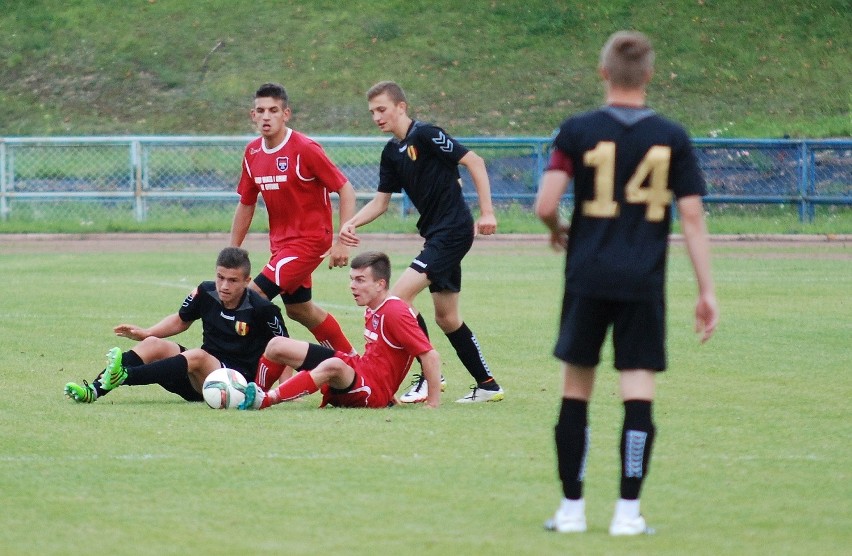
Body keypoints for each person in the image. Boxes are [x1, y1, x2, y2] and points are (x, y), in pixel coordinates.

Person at [534, 31, 719, 536]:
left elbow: (546, 204)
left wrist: (558, 232)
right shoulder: (671, 136)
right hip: (643, 280)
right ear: (650, 77)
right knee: (637, 389)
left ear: (604, 73)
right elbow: (692, 217)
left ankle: (571, 511)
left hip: (588, 275)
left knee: (576, 389)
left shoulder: (577, 130)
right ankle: (627, 514)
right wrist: (706, 291)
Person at [339, 80, 503, 404]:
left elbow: (475, 162)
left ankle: (432, 378)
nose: (376, 117)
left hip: (453, 231)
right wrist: (351, 222)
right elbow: (381, 202)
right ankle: (488, 385)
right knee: (447, 318)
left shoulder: (427, 135)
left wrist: (487, 212)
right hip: (436, 235)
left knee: (396, 298)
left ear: (401, 107)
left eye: (382, 109)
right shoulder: (391, 152)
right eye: (372, 112)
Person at [230, 82, 357, 379]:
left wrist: (342, 241)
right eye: (260, 111)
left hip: (310, 242)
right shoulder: (252, 153)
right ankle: (349, 360)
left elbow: (345, 189)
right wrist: (232, 251)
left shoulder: (305, 149)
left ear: (286, 114)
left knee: (252, 297)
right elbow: (246, 203)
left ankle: (280, 370)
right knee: (299, 309)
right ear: (252, 115)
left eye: (273, 110)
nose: (266, 116)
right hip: (282, 246)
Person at [64, 247, 288, 403]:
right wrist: (147, 332)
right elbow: (182, 320)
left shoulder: (262, 308)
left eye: (233, 280)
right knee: (154, 344)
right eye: (220, 277)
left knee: (198, 355)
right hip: (198, 377)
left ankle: (125, 376)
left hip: (236, 385)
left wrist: (281, 392)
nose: (224, 286)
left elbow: (284, 349)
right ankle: (94, 390)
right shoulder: (205, 292)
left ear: (247, 282)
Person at [238, 251, 441, 410]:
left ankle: (266, 400)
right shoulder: (373, 307)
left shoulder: (395, 311)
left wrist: (432, 403)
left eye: (360, 280)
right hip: (362, 371)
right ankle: (255, 392)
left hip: (372, 392)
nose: (352, 286)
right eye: (352, 279)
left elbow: (429, 355)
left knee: (334, 364)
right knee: (277, 345)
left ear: (380, 284)